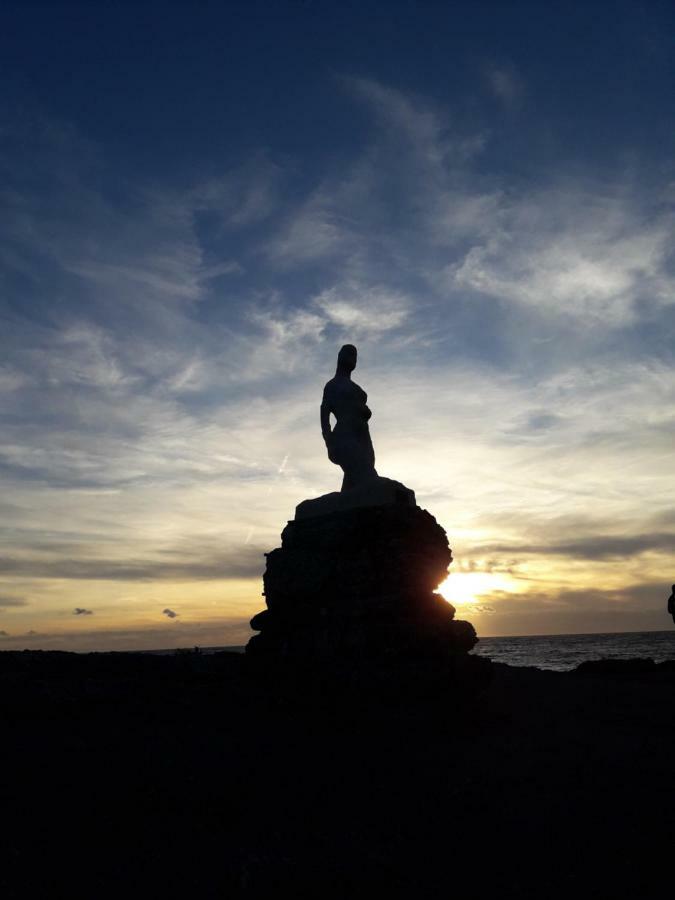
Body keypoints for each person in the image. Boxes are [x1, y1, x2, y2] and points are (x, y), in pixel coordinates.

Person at [320, 344, 378, 491]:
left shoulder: (355, 387)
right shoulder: (332, 386)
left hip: (363, 437)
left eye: (355, 356)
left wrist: (364, 411)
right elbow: (324, 412)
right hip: (344, 437)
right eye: (350, 354)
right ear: (340, 357)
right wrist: (328, 438)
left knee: (356, 481)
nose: (353, 359)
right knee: (368, 477)